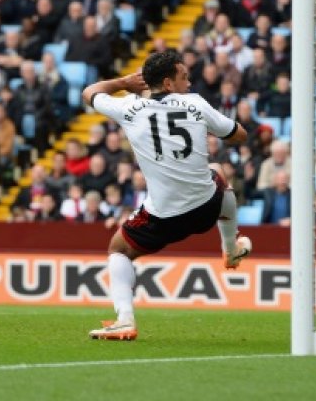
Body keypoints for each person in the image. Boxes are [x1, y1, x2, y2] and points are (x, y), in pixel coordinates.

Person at [81, 49, 251, 341]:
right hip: (205, 208)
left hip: (164, 216)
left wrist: (123, 82)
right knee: (218, 171)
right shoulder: (195, 104)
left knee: (118, 250)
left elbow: (89, 92)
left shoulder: (129, 108)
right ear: (169, 83)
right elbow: (239, 135)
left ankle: (125, 320)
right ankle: (230, 247)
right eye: (184, 77)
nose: (189, 81)